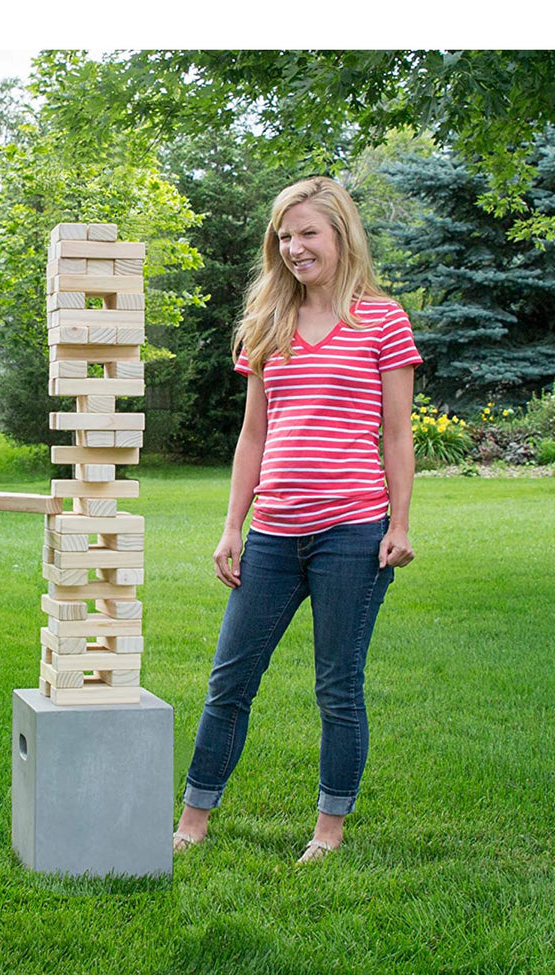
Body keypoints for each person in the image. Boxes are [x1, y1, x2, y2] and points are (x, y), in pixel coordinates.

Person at [172, 176, 420, 865]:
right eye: (284, 235)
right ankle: (192, 820)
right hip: (274, 534)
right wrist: (232, 526)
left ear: (342, 235)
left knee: (337, 687)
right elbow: (253, 435)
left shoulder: (382, 320)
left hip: (354, 530)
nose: (294, 247)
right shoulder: (267, 321)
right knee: (229, 682)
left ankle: (329, 831)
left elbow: (396, 434)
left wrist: (398, 524)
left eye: (308, 232)